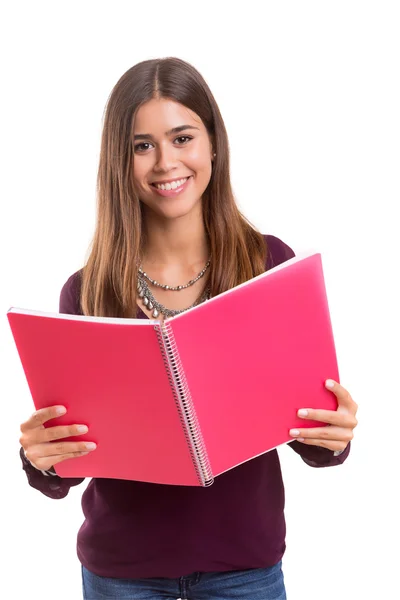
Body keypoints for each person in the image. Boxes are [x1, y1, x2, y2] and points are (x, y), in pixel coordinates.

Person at [18, 57, 358, 600]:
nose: (165, 162)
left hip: (244, 571)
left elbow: (313, 441)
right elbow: (66, 465)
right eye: (141, 145)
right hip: (121, 576)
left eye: (182, 137)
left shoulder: (270, 266)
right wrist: (41, 460)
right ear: (119, 161)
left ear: (213, 145)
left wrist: (333, 433)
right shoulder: (87, 291)